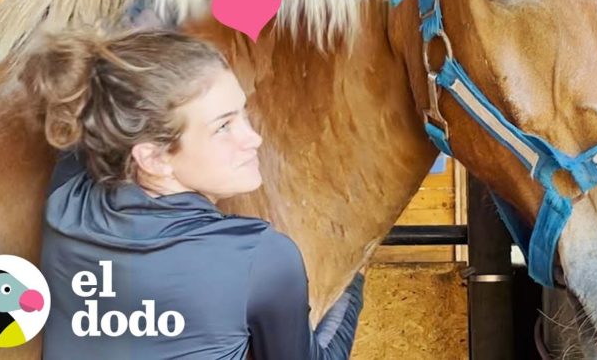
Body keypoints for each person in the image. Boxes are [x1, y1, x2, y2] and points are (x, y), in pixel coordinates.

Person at [22, 27, 365, 359]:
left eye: (243, 113)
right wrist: (353, 277)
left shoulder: (65, 200)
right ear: (154, 158)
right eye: (223, 127)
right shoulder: (260, 257)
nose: (253, 139)